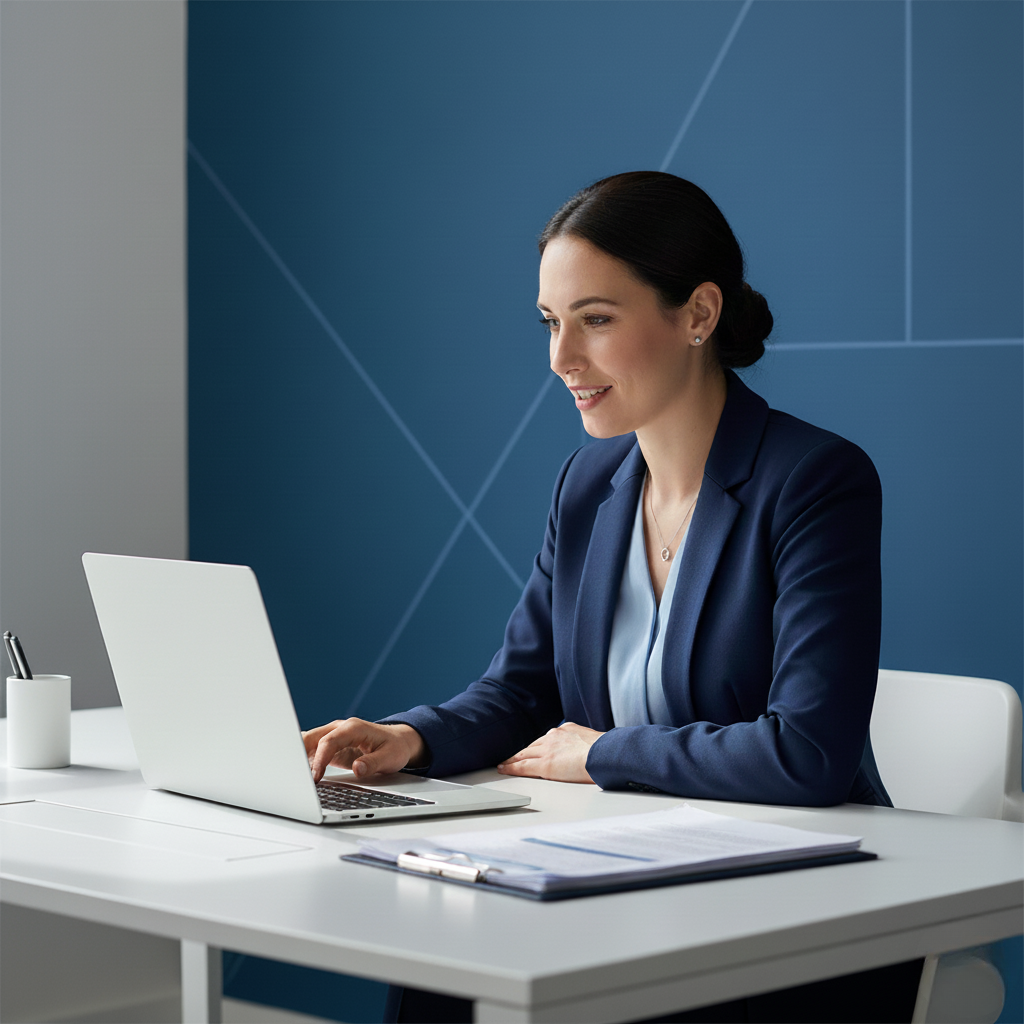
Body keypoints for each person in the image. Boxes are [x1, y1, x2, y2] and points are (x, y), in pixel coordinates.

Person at [303, 172, 922, 1023]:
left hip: (797, 908)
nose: (561, 360)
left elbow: (807, 753)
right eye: (552, 324)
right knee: (443, 959)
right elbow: (524, 689)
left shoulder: (813, 481)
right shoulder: (589, 483)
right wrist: (412, 737)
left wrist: (602, 755)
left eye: (596, 320)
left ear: (698, 315)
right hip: (627, 866)